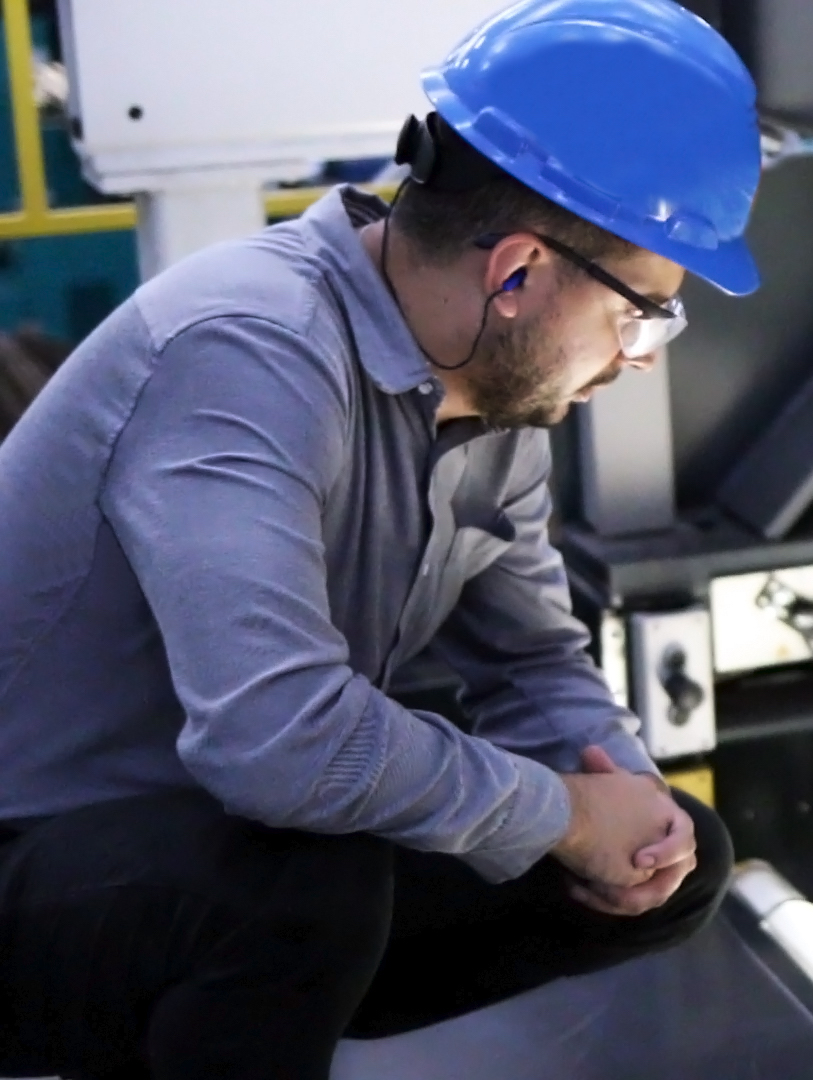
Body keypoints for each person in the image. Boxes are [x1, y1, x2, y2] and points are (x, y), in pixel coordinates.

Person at [0, 1, 765, 1077]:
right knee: (299, 891)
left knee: (683, 858)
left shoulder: (496, 401)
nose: (643, 357)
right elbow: (275, 741)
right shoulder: (245, 353)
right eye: (645, 314)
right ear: (516, 275)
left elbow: (533, 663)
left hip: (203, 839)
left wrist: (624, 810)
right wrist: (557, 813)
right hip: (34, 851)